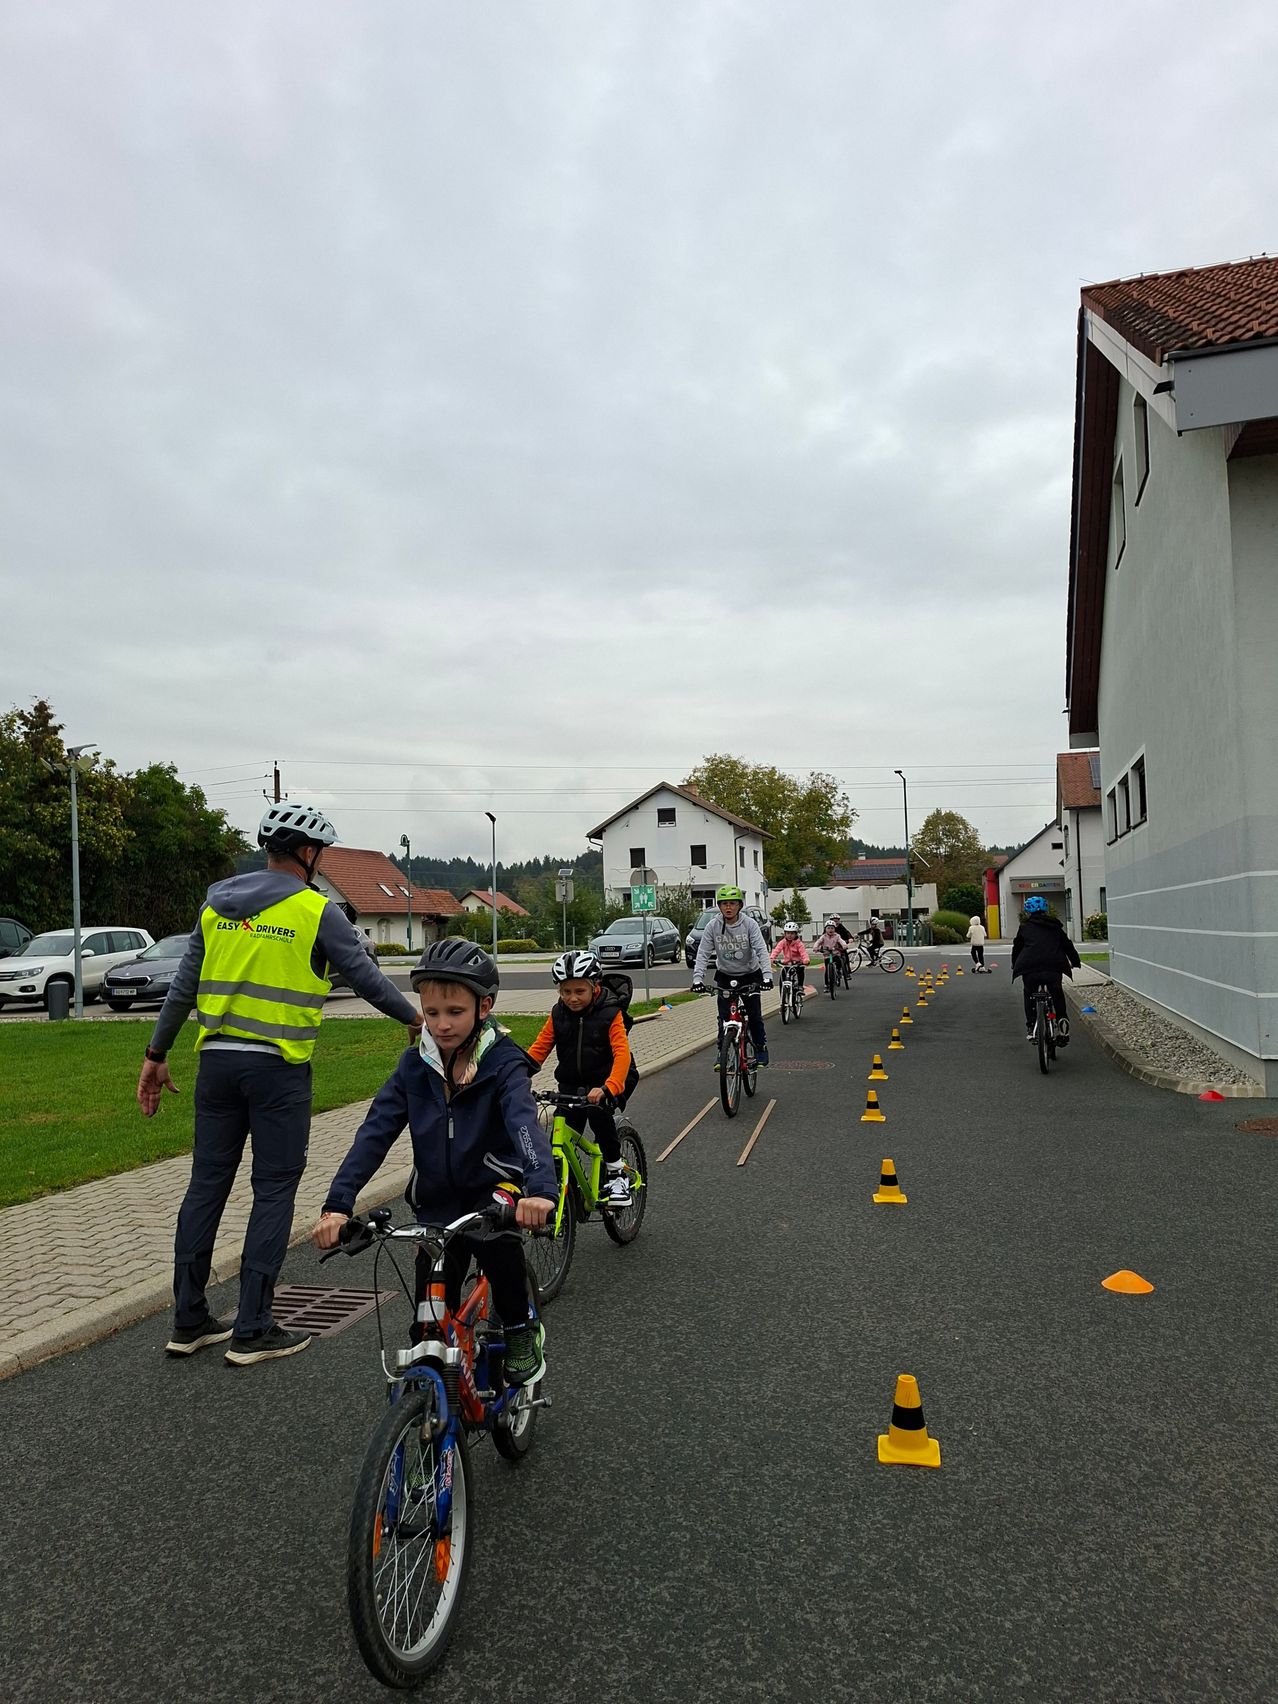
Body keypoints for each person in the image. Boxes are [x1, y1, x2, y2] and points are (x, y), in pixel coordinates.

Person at [138, 802, 422, 1366]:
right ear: (306, 853)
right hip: (277, 1071)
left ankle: (189, 1319)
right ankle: (254, 1327)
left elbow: (182, 987)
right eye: (321, 852)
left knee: (205, 1186)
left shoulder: (215, 904)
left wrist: (156, 1053)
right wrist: (416, 1019)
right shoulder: (316, 910)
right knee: (273, 1190)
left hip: (216, 1066)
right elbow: (365, 978)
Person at [312, 938, 556, 1386]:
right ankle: (428, 1407)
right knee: (428, 1319)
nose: (442, 1025)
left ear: (484, 1007)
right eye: (433, 1012)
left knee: (501, 1251)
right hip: (436, 1202)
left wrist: (540, 1190)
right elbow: (374, 1133)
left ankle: (521, 1329)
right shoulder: (414, 1067)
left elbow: (525, 1125)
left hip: (493, 1193)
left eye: (455, 1013)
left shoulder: (503, 1063)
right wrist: (338, 1203)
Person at [525, 950, 638, 1209]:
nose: (572, 998)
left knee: (599, 1117)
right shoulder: (558, 1014)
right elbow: (539, 1048)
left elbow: (622, 1055)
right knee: (563, 1128)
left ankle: (616, 1173)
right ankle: (560, 1179)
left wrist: (609, 1087)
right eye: (565, 992)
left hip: (609, 1080)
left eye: (579, 991)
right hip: (572, 1085)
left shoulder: (611, 1013)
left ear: (594, 986)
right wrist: (517, 1075)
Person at [691, 884, 772, 1066]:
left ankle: (760, 1046)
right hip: (725, 975)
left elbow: (761, 950)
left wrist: (767, 977)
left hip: (750, 975)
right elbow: (703, 954)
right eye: (724, 903)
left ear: (739, 905)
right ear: (719, 906)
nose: (728, 907)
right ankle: (722, 1052)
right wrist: (697, 979)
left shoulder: (750, 924)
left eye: (732, 903)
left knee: (755, 1015)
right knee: (724, 1017)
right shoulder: (713, 926)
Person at [1010, 896, 1081, 1041]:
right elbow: (1067, 945)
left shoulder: (1024, 928)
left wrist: (1014, 963)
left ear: (1027, 911)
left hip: (1030, 969)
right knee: (1057, 994)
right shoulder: (1056, 927)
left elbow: (1017, 947)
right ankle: (1062, 1022)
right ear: (1045, 909)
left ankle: (1031, 1027)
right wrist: (1075, 962)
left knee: (1029, 993)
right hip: (1053, 967)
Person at [770, 921, 811, 995]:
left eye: (792, 933)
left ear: (796, 934)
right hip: (787, 962)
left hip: (797, 963)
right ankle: (783, 991)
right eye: (788, 933)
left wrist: (805, 960)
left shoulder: (799, 943)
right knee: (783, 973)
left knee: (800, 971)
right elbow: (776, 950)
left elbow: (803, 953)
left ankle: (800, 986)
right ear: (785, 934)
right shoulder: (783, 942)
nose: (790, 935)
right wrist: (772, 958)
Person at [814, 917, 852, 982]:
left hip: (835, 953)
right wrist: (815, 947)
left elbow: (841, 941)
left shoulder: (837, 936)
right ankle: (827, 984)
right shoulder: (823, 936)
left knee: (839, 961)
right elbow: (818, 941)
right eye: (828, 928)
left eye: (832, 928)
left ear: (835, 929)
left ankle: (838, 970)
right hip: (827, 955)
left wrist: (844, 945)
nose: (830, 930)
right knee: (827, 970)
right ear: (825, 929)